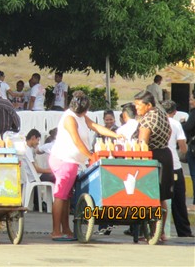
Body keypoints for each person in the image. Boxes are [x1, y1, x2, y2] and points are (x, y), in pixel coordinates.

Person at [49, 90, 122, 241]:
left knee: (66, 197)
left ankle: (66, 229)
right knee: (60, 196)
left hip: (72, 161)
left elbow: (95, 126)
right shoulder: (70, 118)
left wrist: (115, 135)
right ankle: (56, 230)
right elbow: (77, 141)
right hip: (65, 160)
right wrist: (91, 156)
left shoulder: (80, 116)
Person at [134, 90, 173, 242]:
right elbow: (169, 133)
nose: (137, 108)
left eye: (138, 105)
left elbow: (143, 144)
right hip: (165, 154)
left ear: (148, 105)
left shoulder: (147, 119)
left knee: (151, 197)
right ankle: (160, 232)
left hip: (152, 157)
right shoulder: (162, 113)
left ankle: (152, 232)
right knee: (161, 197)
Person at [162, 100, 193, 237]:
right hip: (174, 164)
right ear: (174, 112)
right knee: (179, 199)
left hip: (159, 164)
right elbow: (183, 146)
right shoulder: (175, 124)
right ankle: (183, 231)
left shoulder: (156, 123)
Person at [181, 92, 195, 206]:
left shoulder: (194, 113)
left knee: (194, 174)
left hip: (194, 148)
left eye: (191, 99)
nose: (190, 102)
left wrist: (183, 123)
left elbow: (189, 127)